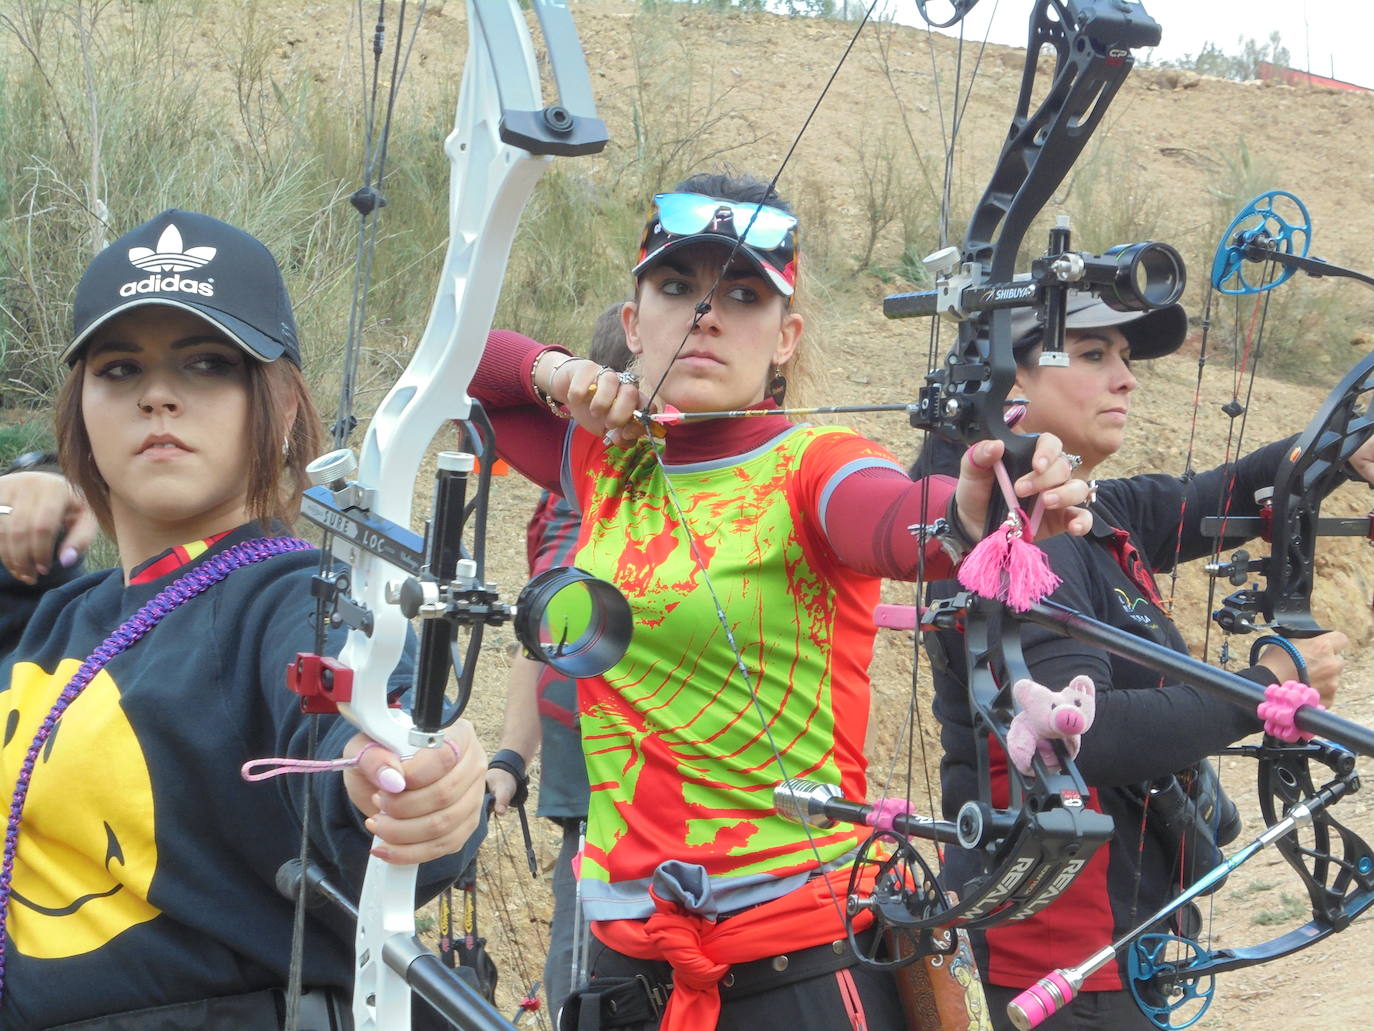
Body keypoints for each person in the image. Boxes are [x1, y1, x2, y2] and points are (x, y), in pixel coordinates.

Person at [468, 172, 1093, 1031]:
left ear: (786, 336)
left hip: (793, 962)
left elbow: (897, 517)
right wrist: (555, 372)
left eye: (744, 293)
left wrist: (972, 507)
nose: (705, 314)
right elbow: (460, 362)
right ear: (631, 321)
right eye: (677, 286)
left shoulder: (813, 462)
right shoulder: (600, 457)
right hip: (625, 957)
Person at [0, 209, 488, 1030]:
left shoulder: (289, 596)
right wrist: (27, 496)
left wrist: (407, 782)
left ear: (284, 406)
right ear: (78, 410)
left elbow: (359, 727)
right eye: (120, 369)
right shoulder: (61, 615)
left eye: (207, 364)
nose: (158, 394)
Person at [920, 290, 1373, 1030]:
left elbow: (1220, 497)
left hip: (1117, 953)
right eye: (1095, 355)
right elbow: (1084, 738)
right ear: (1006, 385)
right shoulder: (1013, 535)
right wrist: (1266, 688)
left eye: (1125, 359)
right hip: (1057, 970)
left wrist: (1342, 448)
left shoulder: (1090, 513)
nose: (1126, 378)